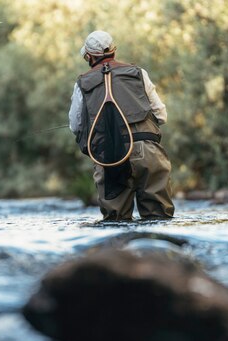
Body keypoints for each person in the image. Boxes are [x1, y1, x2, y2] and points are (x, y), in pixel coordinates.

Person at [69, 30, 175, 220]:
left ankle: (120, 250)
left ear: (89, 56)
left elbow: (75, 126)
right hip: (147, 150)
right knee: (159, 218)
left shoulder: (82, 83)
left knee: (115, 222)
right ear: (114, 51)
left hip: (109, 156)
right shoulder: (138, 73)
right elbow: (161, 115)